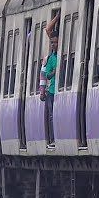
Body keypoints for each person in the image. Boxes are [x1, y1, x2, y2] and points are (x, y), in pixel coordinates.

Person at [41, 20, 59, 148]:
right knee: (52, 116)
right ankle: (53, 139)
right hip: (52, 90)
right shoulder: (51, 58)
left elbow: (48, 30)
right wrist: (53, 72)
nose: (53, 45)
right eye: (52, 43)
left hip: (60, 90)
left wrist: (58, 17)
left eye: (55, 42)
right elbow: (46, 74)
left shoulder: (59, 55)